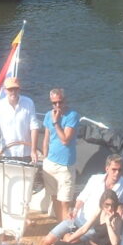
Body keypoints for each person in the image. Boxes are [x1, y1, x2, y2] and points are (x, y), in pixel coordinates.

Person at [43, 154, 123, 245]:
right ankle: (65, 238)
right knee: (48, 241)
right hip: (77, 219)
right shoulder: (95, 179)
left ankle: (65, 240)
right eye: (114, 169)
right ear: (107, 169)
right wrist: (75, 210)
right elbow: (82, 197)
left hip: (93, 228)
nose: (117, 173)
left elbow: (122, 204)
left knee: (70, 242)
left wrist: (121, 208)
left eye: (120, 170)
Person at [40, 88, 80, 223]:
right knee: (55, 198)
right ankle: (59, 227)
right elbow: (46, 138)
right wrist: (45, 157)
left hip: (65, 166)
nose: (57, 105)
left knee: (65, 202)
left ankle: (66, 231)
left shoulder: (73, 115)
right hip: (50, 164)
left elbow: (65, 139)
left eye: (60, 102)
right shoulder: (47, 115)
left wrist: (56, 122)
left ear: (65, 100)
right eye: (54, 103)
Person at [0, 77, 41, 163]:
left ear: (19, 89)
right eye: (10, 89)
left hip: (26, 153)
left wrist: (33, 150)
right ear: (5, 90)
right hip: (6, 154)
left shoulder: (29, 103)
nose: (13, 92)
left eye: (15, 89)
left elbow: (34, 127)